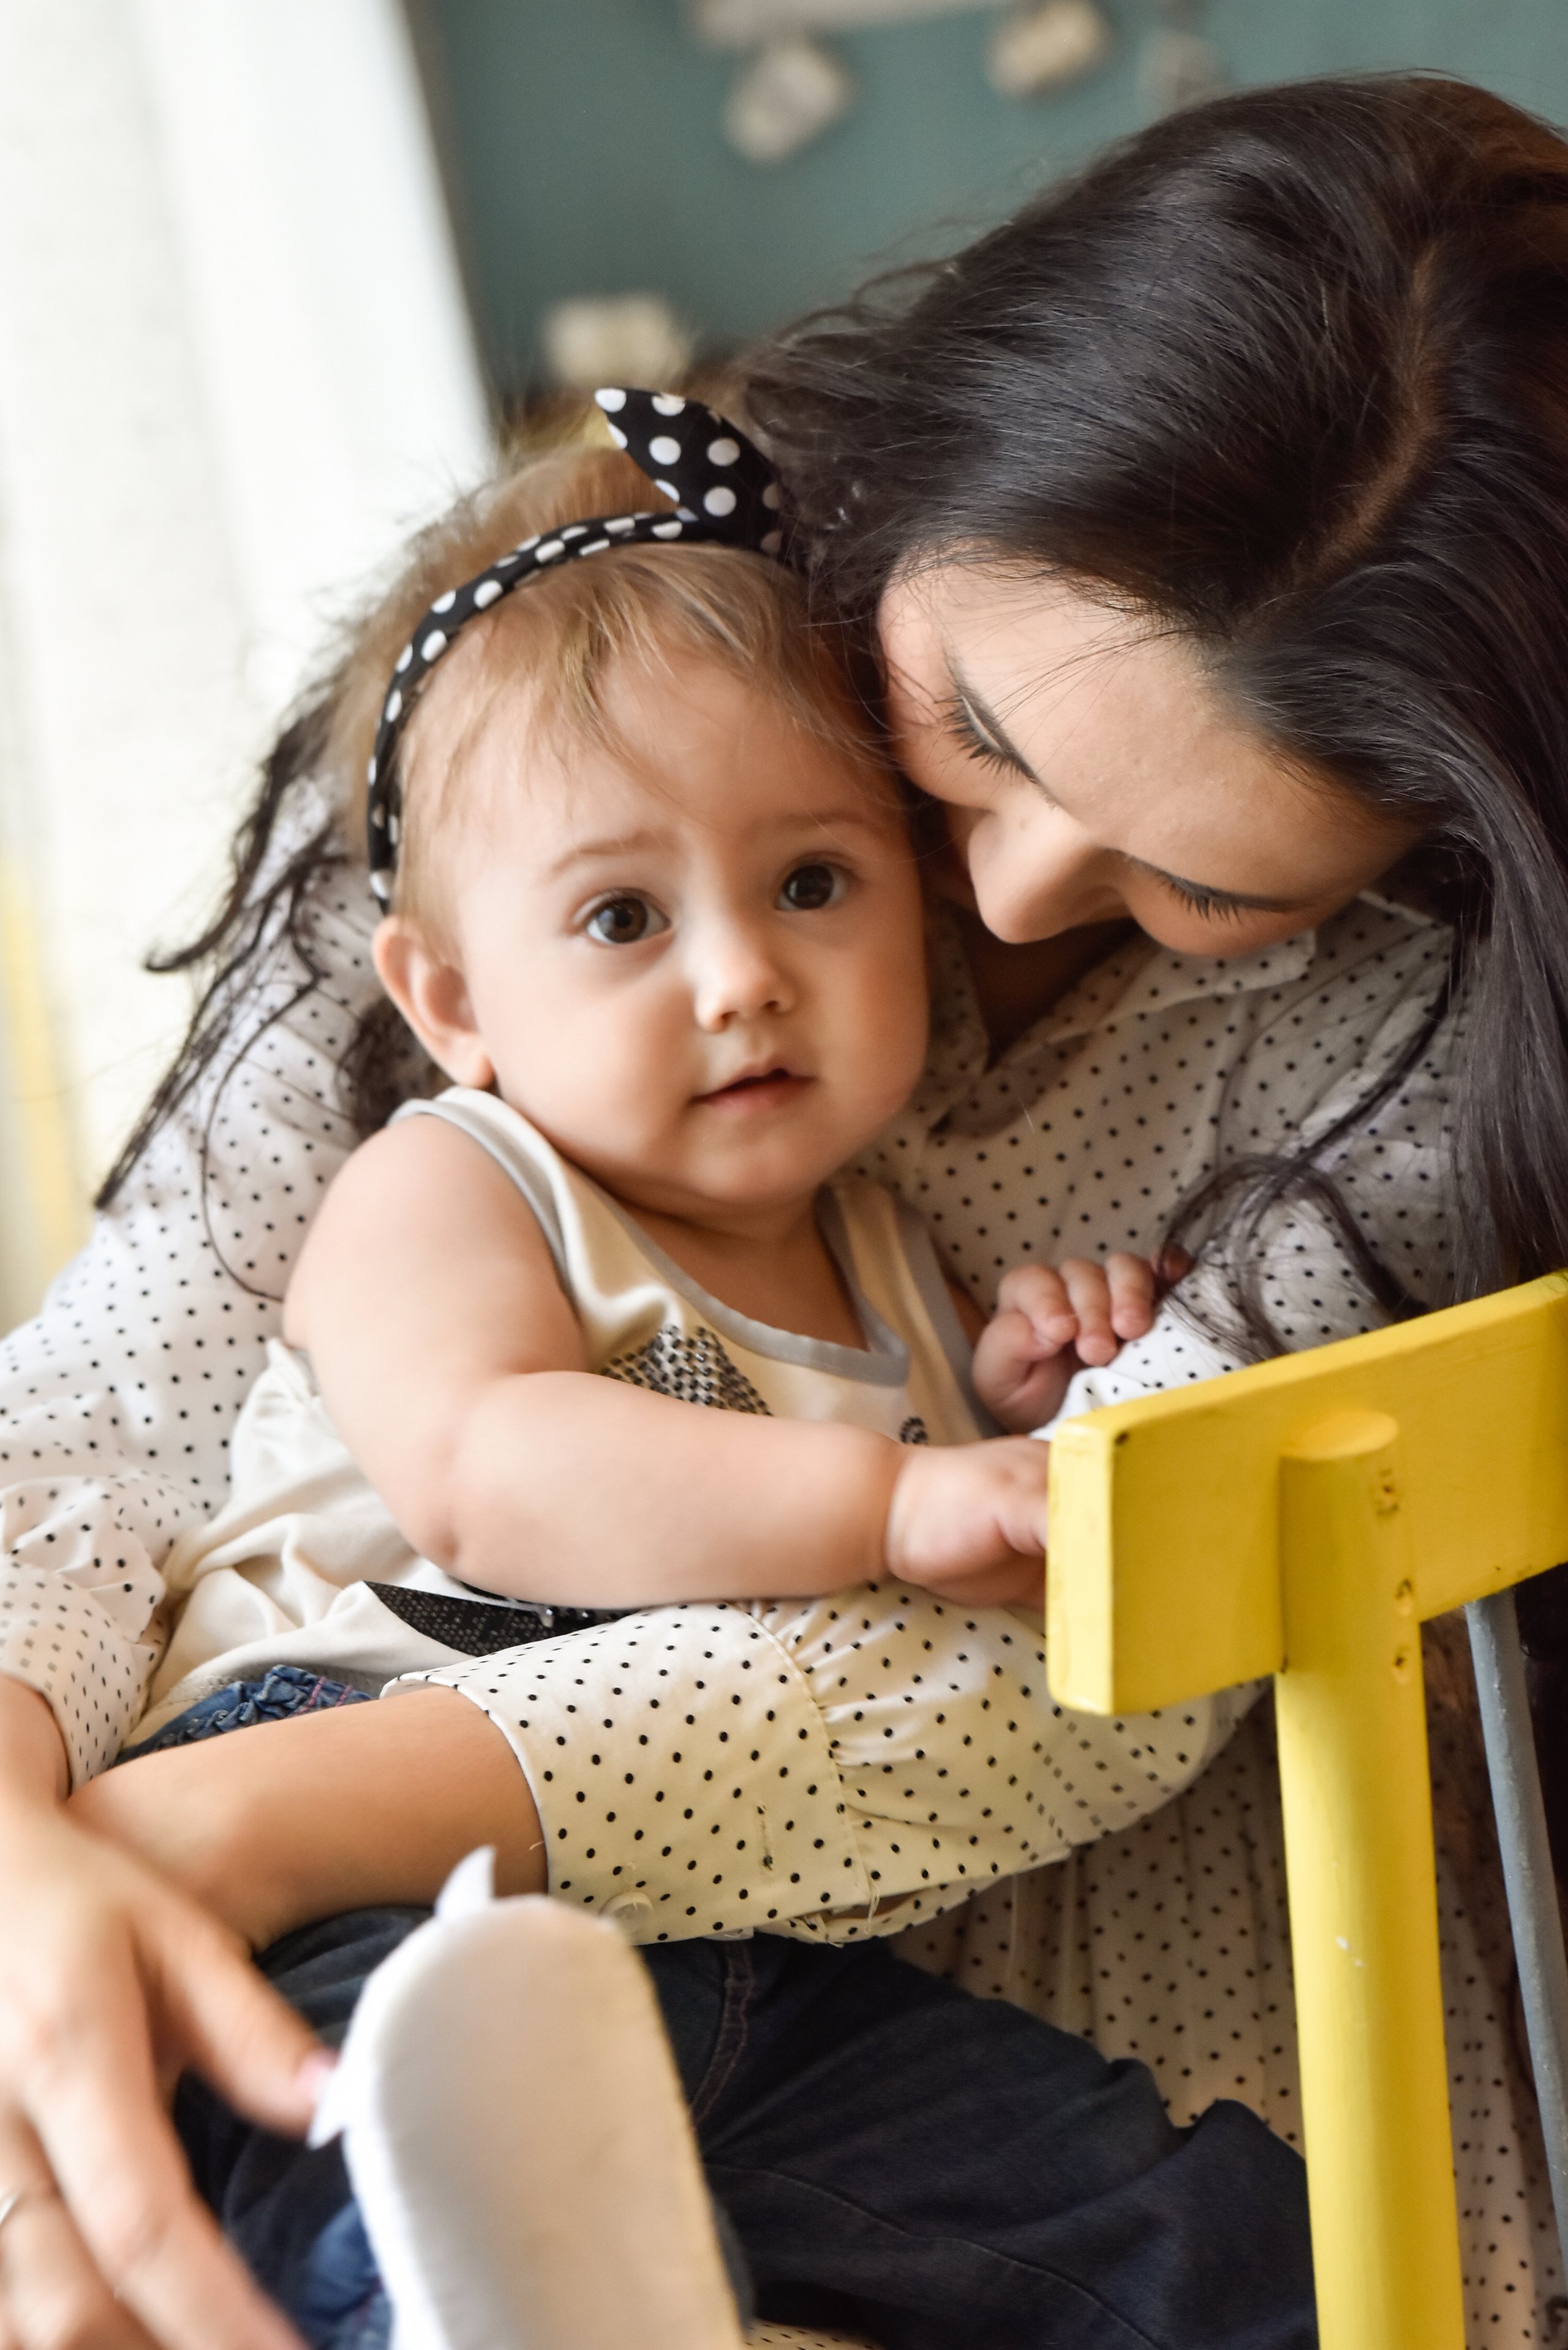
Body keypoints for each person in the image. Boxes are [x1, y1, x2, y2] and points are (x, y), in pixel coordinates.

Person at [1, 64, 1564, 2350]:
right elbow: (129, 1402)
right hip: (368, 1824)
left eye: (1205, 878)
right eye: (981, 732)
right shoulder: (579, 720)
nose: (1001, 889)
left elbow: (1091, 1655)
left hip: (861, 1911)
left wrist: (989, 1390)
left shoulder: (1412, 1038)